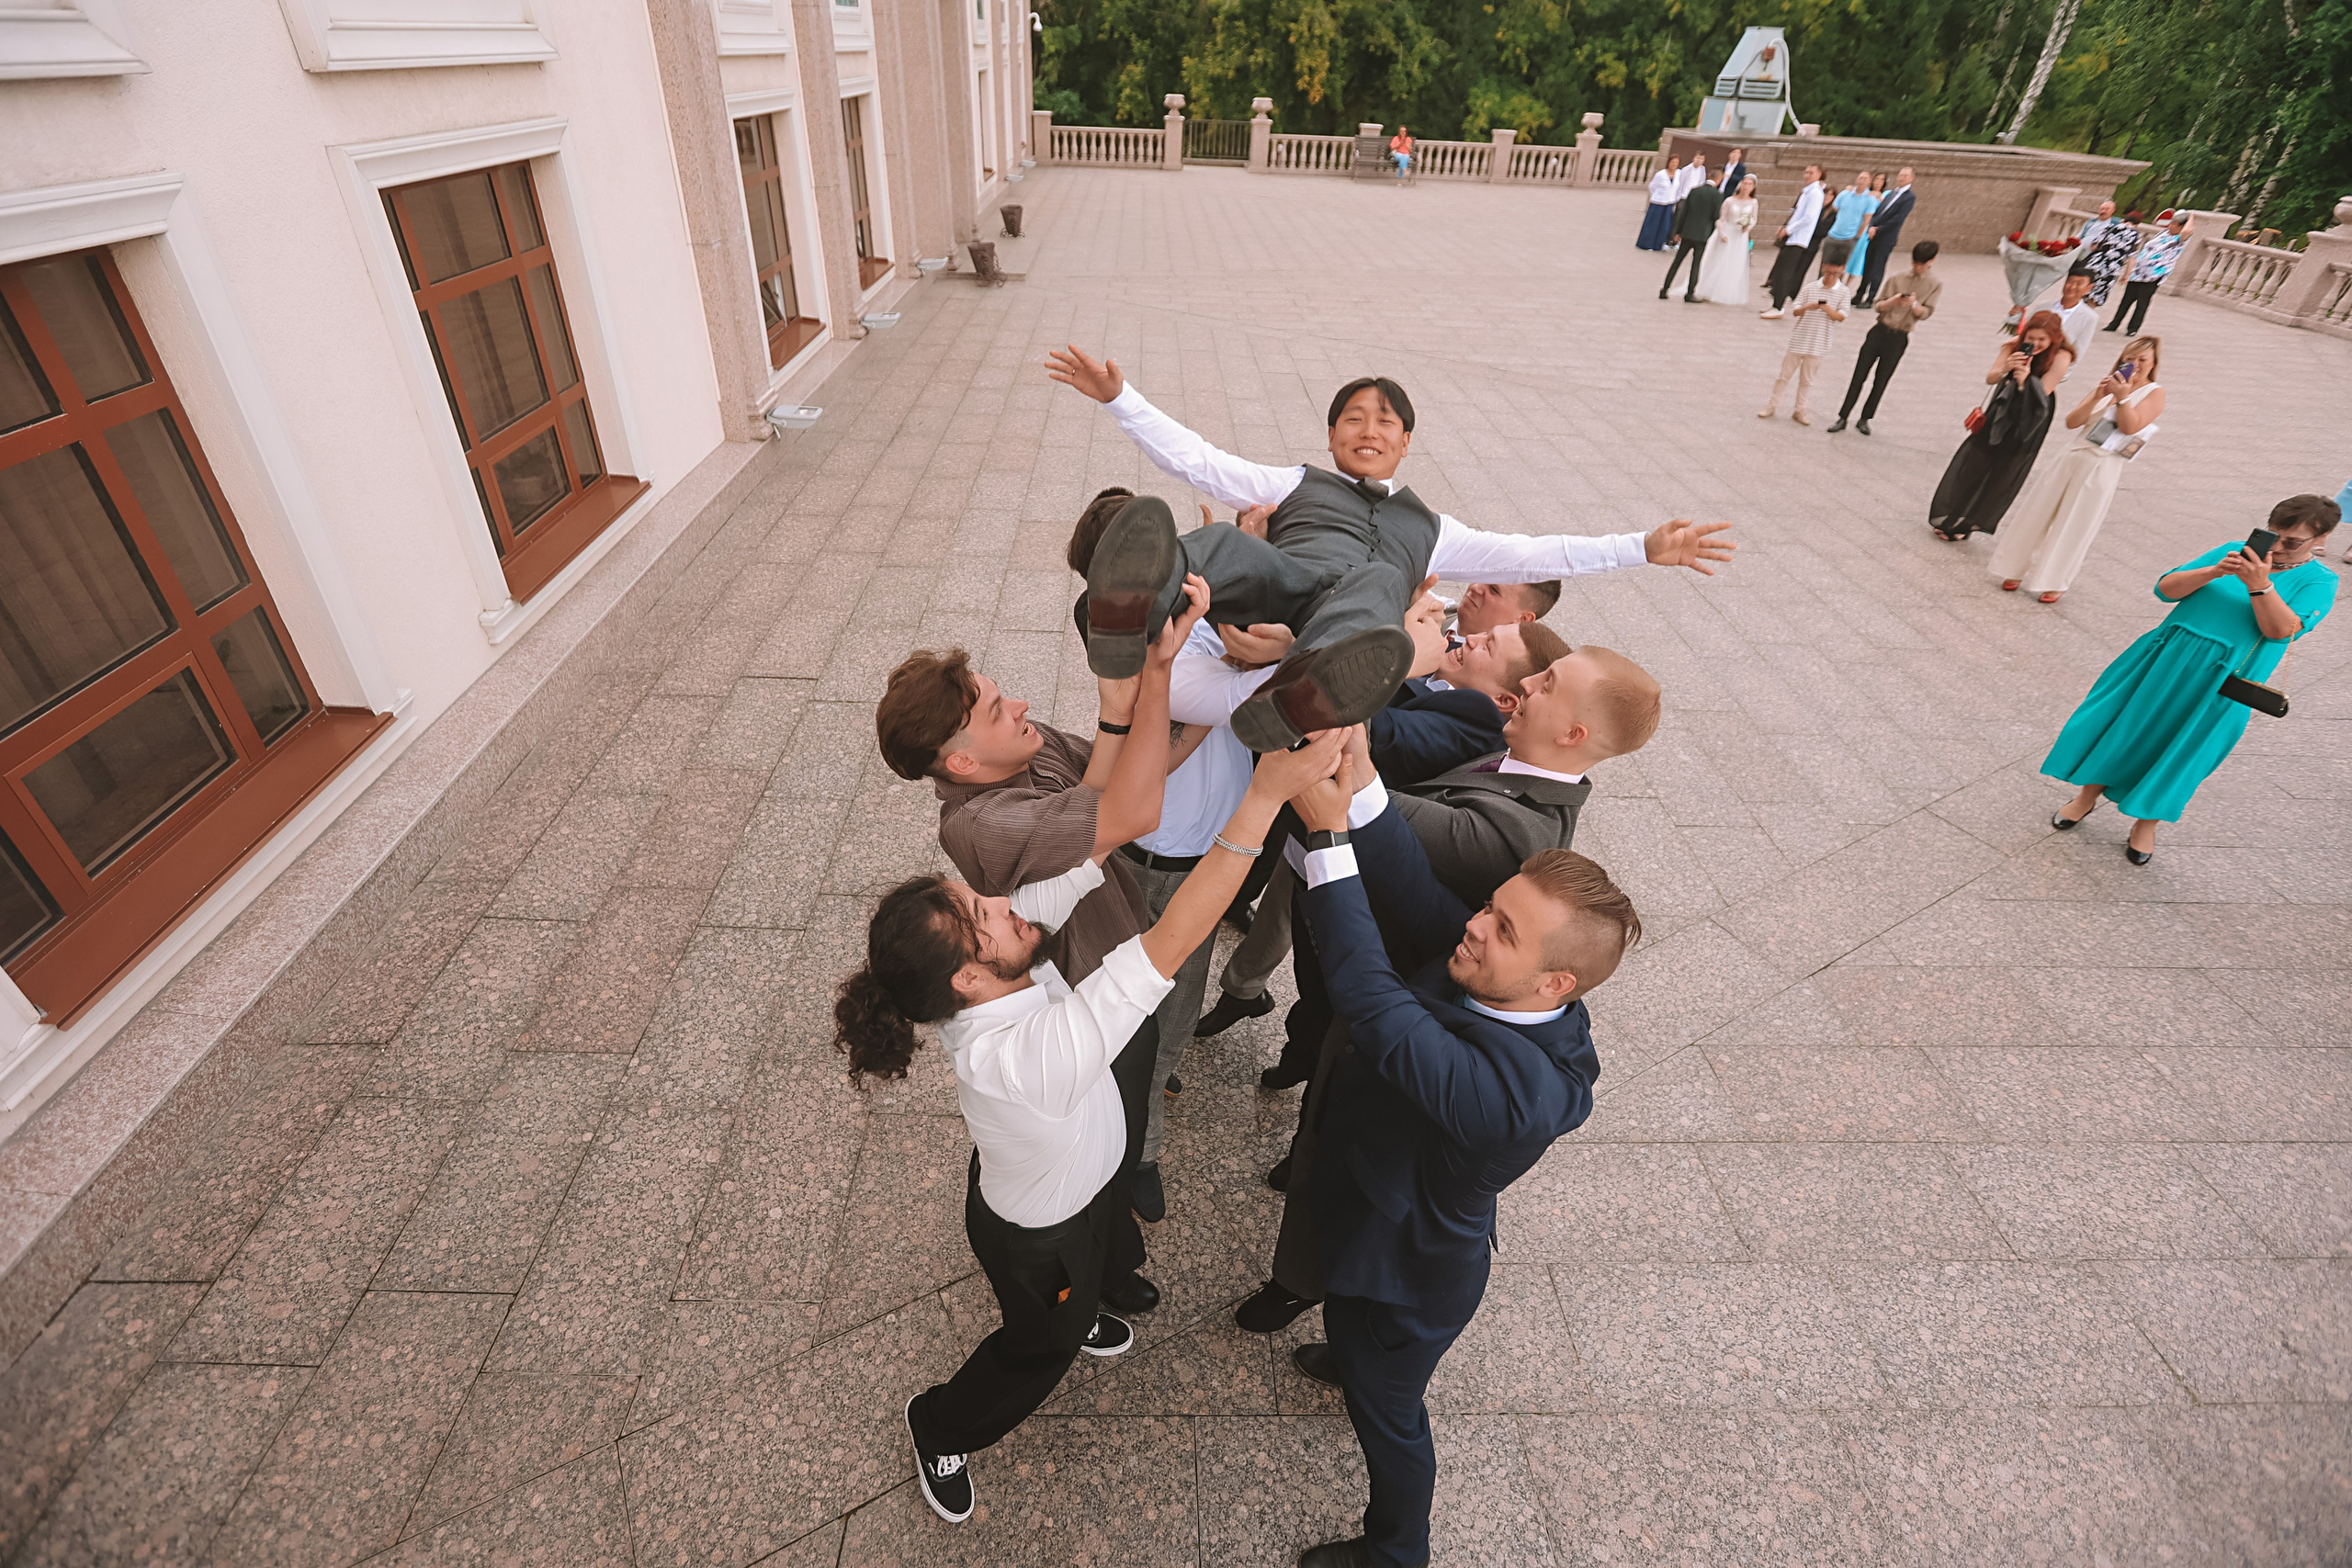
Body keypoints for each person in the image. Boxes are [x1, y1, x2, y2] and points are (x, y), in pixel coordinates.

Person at [842, 732, 1349, 1527]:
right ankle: (941, 1423)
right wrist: (1262, 799)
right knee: (1041, 1340)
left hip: (1074, 1186)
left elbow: (1086, 859)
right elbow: (1171, 943)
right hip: (1041, 1234)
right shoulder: (1019, 1059)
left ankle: (1092, 1297)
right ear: (968, 978)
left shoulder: (995, 974)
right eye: (985, 913)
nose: (1005, 902)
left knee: (1099, 1258)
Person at [1236, 642, 1661, 1333]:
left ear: (1575, 734)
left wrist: (1335, 810)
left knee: (1348, 1181)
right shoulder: (1507, 758)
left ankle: (1314, 1299)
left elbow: (1394, 865)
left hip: (1383, 995)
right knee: (1324, 1124)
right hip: (1367, 976)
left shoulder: (1522, 832)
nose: (1526, 681)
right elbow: (1422, 883)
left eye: (1547, 682)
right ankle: (1299, 1257)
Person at [1280, 773, 1638, 1568]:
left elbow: (1377, 1005)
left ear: (1557, 982)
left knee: (1393, 1416)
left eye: (1503, 927)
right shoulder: (1509, 979)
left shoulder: (1517, 1097)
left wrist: (1329, 841)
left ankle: (1397, 1549)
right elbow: (1413, 890)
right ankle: (1346, 1354)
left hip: (1407, 1276)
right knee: (1352, 1338)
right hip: (1379, 1215)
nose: (1475, 926)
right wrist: (1358, 780)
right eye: (1490, 906)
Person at [1044, 349, 1736, 749]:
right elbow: (1201, 460)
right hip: (1283, 581)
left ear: (1406, 441)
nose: (1367, 428)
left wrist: (1640, 547)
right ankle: (1126, 615)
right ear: (1331, 436)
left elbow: (1534, 554)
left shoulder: (1435, 528)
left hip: (1341, 619)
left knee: (1378, 583)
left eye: (1385, 420)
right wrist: (1120, 398)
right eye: (1352, 418)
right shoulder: (1294, 483)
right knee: (1223, 540)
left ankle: (1301, 693)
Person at [876, 580, 1206, 1222]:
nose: (1021, 705)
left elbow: (1127, 778)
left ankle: (1119, 1183)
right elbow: (1132, 810)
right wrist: (1156, 675)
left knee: (1113, 1113)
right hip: (1090, 996)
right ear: (963, 763)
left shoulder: (1027, 746)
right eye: (998, 709)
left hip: (1118, 946)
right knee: (1117, 1113)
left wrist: (1227, 705)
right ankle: (1118, 1195)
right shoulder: (982, 824)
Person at [2045, 494, 2338, 865]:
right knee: (2126, 726)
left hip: (2226, 679)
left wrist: (2260, 585)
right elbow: (2165, 590)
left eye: (2292, 542)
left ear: (2322, 539)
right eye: (2272, 535)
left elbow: (2281, 630)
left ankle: (2146, 823)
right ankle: (2086, 798)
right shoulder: (2235, 551)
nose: (2278, 547)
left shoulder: (2320, 581)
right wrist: (2216, 570)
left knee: (2186, 749)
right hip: (2165, 658)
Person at [1988, 336, 2165, 602]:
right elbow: (2073, 422)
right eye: (2130, 358)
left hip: (2102, 463)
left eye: (2142, 360)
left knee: (2076, 523)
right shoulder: (2109, 384)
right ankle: (2014, 567)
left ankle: (2056, 580)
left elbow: (2131, 427)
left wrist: (2122, 399)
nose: (2135, 364)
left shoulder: (2155, 392)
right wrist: (2098, 394)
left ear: (2153, 364)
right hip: (2072, 454)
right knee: (2038, 511)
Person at [1927, 310, 2072, 541]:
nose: (2035, 344)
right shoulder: (2012, 346)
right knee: (1974, 461)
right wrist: (2007, 367)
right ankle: (1950, 516)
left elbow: (2043, 393)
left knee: (2002, 470)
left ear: (2054, 338)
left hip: (2030, 416)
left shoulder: (2061, 356)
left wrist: (2025, 380)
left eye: (2042, 340)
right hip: (2002, 408)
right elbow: (1991, 378)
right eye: (2031, 338)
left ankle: (1966, 524)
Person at [1828, 239, 1939, 434]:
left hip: (1900, 336)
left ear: (1932, 260)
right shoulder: (1897, 278)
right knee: (1858, 375)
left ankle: (1865, 418)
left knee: (1881, 380)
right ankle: (1843, 416)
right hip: (1880, 330)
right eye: (1915, 263)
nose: (1918, 267)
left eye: (1922, 264)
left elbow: (1927, 313)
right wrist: (1893, 302)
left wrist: (1914, 305)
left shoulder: (1935, 284)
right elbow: (1878, 305)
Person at [1757, 238, 1852, 426]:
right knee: (1784, 376)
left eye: (1835, 272)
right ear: (1824, 267)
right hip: (1799, 339)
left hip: (1819, 343)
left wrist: (1828, 310)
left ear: (1842, 269)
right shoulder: (1810, 287)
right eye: (1828, 271)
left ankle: (1800, 410)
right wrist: (1810, 306)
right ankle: (1771, 405)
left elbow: (1841, 316)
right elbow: (1795, 310)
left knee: (1807, 380)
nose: (1831, 275)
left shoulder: (1844, 292)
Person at [2106, 212, 2188, 334]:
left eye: (2174, 224)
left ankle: (2132, 329)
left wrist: (2191, 216)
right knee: (2126, 301)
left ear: (2181, 227)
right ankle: (2114, 323)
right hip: (2138, 272)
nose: (2171, 226)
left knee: (2142, 304)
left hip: (2152, 276)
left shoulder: (2180, 240)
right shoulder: (2162, 234)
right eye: (2171, 223)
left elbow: (2189, 230)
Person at [1761, 164, 1826, 317]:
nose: (1807, 175)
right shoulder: (1807, 192)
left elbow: (1808, 217)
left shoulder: (1815, 193)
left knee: (1786, 273)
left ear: (1819, 174)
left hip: (1798, 238)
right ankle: (1775, 303)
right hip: (1792, 237)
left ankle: (1778, 307)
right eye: (1806, 172)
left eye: (1811, 172)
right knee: (1781, 270)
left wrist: (1789, 230)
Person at [1659, 169, 1725, 303]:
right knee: (1696, 264)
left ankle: (1664, 289)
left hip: (1688, 232)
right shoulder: (1717, 195)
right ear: (1719, 179)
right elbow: (1715, 216)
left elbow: (1684, 213)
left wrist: (1678, 232)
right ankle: (1690, 294)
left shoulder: (1694, 191)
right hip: (1702, 235)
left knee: (1677, 262)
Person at [1854, 166, 1916, 306]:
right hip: (1873, 235)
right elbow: (1878, 212)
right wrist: (1871, 227)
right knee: (1867, 266)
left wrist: (1879, 229)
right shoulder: (1891, 194)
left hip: (1886, 238)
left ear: (1912, 178)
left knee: (1877, 268)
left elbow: (1898, 219)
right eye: (1900, 175)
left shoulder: (1909, 197)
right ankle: (1859, 294)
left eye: (1905, 176)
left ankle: (1871, 297)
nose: (1901, 178)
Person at [1697, 175, 1759, 305]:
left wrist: (1747, 227)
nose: (1746, 186)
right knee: (1720, 260)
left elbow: (1754, 219)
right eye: (1745, 183)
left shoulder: (1753, 202)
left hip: (1740, 235)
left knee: (1734, 262)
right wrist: (1722, 232)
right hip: (1727, 231)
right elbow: (1721, 219)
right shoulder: (1730, 201)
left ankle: (1727, 291)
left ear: (1753, 187)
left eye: (1749, 184)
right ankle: (1710, 289)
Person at [2075, 199, 2141, 307]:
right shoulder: (2135, 236)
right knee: (2097, 295)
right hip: (2112, 268)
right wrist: (2127, 274)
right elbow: (2132, 257)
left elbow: (2094, 245)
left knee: (2084, 287)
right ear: (2137, 224)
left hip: (2096, 262)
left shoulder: (2111, 227)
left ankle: (2073, 310)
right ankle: (2085, 315)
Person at [1452, 579, 1560, 637]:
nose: (1475, 587)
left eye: (1494, 590)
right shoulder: (1440, 608)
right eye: (1481, 576)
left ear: (1523, 619)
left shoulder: (1497, 676)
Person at [1826, 172, 1878, 283]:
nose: (1862, 180)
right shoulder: (1845, 194)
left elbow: (1866, 220)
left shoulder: (1870, 199)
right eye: (1860, 177)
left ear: (1869, 182)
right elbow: (1835, 208)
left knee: (1840, 268)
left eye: (1865, 178)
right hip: (1833, 234)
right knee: (1825, 265)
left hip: (1849, 237)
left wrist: (1857, 236)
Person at [2054, 265, 2100, 378]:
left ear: (2089, 288)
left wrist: (2063, 372)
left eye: (2079, 283)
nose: (2072, 286)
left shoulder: (2089, 317)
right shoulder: (2044, 306)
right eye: (2070, 282)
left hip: (2054, 367)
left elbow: (2079, 349)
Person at [1638, 156, 1680, 250]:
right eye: (1672, 162)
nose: (1674, 164)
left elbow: (1678, 188)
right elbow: (1652, 186)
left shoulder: (1678, 174)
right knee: (1653, 224)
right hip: (1658, 202)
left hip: (1669, 203)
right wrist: (1657, 195)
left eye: (1676, 162)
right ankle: (1647, 244)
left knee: (1664, 226)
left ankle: (1658, 245)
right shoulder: (1660, 174)